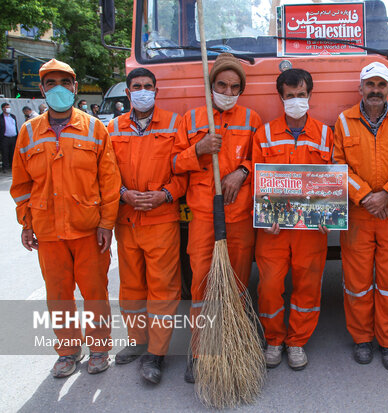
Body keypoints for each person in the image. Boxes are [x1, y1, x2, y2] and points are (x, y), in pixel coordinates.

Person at [10, 58, 121, 377]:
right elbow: (20, 185)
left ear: (75, 87)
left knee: (95, 293)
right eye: (51, 83)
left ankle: (99, 348)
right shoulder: (29, 133)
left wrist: (105, 224)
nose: (58, 88)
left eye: (65, 82)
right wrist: (26, 224)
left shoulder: (95, 128)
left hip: (88, 230)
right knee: (58, 296)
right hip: (47, 232)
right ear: (42, 89)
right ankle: (68, 352)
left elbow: (109, 181)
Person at [172, 53, 261, 383]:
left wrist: (241, 171)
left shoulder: (252, 119)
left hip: (238, 217)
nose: (228, 90)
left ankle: (233, 347)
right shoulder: (192, 118)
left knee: (236, 285)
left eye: (235, 86)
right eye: (222, 84)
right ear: (211, 87)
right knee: (201, 286)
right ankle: (199, 352)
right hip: (204, 217)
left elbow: (260, 158)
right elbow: (175, 163)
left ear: (242, 89)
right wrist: (198, 149)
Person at [333, 62, 388, 370]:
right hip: (359, 215)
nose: (376, 91)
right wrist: (367, 197)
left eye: (382, 86)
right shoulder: (343, 121)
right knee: (357, 283)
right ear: (361, 89)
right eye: (371, 85)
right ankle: (362, 339)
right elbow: (338, 164)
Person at [107, 68, 186, 384]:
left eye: (148, 86)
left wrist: (164, 195)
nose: (142, 91)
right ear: (128, 93)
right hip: (126, 221)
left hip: (161, 220)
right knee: (131, 289)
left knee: (161, 290)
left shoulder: (173, 124)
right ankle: (137, 340)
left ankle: (156, 353)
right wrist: (123, 194)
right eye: (136, 86)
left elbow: (183, 171)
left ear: (157, 90)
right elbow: (106, 174)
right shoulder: (112, 128)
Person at [252, 69, 334, 371]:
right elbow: (257, 182)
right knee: (269, 287)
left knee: (308, 286)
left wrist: (331, 214)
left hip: (312, 229)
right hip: (274, 228)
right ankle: (274, 340)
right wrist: (262, 215)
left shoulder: (326, 134)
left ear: (309, 96)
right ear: (281, 98)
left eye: (301, 95)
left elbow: (333, 181)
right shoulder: (265, 134)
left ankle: (297, 341)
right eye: (290, 96)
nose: (296, 100)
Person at [1, 103, 18, 173]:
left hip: (13, 137)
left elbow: (15, 126)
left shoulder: (13, 116)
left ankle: (12, 166)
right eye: (6, 107)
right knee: (5, 153)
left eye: (8, 107)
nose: (8, 108)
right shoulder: (1, 118)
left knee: (13, 152)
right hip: (5, 138)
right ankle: (5, 167)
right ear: (3, 108)